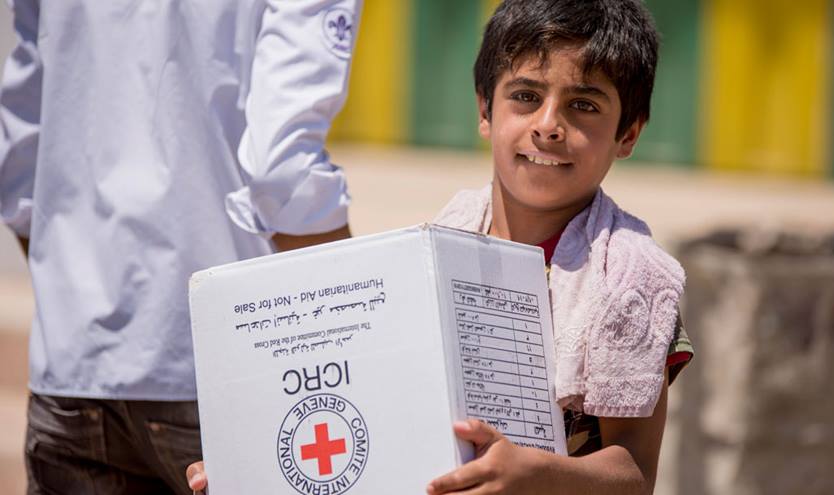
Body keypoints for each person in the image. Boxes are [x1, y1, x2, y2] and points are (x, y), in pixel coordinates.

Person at [186, 0, 693, 493]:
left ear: (628, 133)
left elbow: (635, 475)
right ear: (484, 110)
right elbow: (371, 409)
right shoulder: (432, 248)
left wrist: (537, 475)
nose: (547, 125)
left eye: (583, 105)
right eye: (525, 96)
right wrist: (252, 464)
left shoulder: (628, 280)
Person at [0, 1, 362, 493]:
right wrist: (357, 334)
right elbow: (283, 170)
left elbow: (20, 151)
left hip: (73, 362)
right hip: (225, 363)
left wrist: (71, 295)